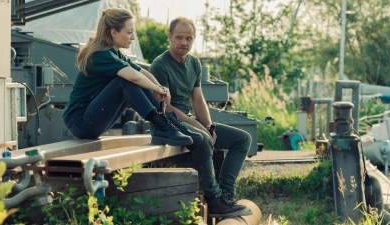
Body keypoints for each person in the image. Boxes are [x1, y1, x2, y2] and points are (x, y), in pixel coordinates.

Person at [149, 17, 253, 218]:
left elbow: (197, 99)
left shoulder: (194, 63)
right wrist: (201, 128)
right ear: (169, 37)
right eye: (179, 37)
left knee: (242, 139)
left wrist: (210, 126)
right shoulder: (160, 65)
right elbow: (167, 107)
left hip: (186, 120)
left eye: (189, 38)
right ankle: (213, 199)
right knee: (203, 138)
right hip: (166, 122)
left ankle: (226, 195)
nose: (184, 42)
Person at [63, 8, 202, 146]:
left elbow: (142, 73)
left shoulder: (116, 54)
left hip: (91, 122)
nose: (133, 37)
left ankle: (170, 123)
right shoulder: (101, 54)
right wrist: (156, 89)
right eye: (129, 32)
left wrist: (159, 87)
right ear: (113, 32)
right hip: (80, 123)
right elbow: (134, 77)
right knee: (124, 81)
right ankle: (162, 126)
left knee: (135, 80)